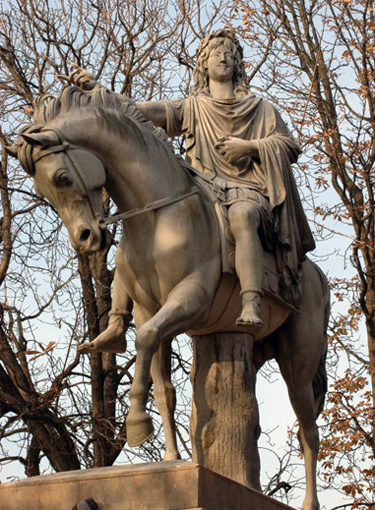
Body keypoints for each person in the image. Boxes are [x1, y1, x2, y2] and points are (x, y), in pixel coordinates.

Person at [71, 29, 315, 351]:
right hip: (203, 191)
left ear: (239, 64)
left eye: (229, 53)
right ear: (203, 64)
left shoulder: (260, 108)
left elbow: (288, 146)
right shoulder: (191, 108)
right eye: (216, 53)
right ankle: (118, 322)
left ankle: (251, 300)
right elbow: (134, 112)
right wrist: (97, 89)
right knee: (134, 234)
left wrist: (250, 146)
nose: (223, 57)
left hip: (247, 190)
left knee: (242, 216)